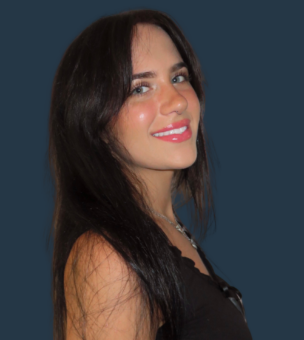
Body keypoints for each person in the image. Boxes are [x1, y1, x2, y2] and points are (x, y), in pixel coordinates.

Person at [48, 9, 252, 340]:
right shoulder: (109, 256)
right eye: (140, 88)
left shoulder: (166, 230)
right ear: (93, 121)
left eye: (178, 77)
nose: (176, 102)